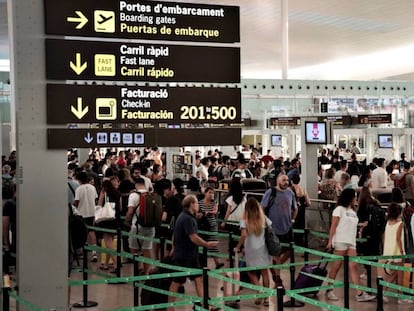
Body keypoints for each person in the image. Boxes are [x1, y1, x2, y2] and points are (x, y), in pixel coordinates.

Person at [167, 195, 218, 311]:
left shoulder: (185, 216)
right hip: (184, 255)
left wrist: (173, 247)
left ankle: (205, 304)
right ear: (191, 204)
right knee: (177, 281)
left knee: (198, 278)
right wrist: (206, 244)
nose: (198, 206)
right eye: (196, 203)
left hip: (190, 254)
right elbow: (193, 237)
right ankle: (169, 308)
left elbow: (175, 234)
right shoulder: (187, 219)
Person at [325, 188, 376, 302]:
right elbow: (333, 226)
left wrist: (362, 224)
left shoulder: (353, 211)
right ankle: (329, 289)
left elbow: (353, 224)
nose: (356, 199)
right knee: (336, 266)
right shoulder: (339, 210)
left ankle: (359, 293)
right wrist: (330, 241)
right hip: (341, 241)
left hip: (351, 242)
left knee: (354, 266)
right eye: (354, 196)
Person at [261, 174, 297, 288]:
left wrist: (292, 219)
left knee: (290, 250)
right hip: (273, 229)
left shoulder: (290, 193)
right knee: (276, 254)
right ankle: (278, 281)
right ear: (278, 181)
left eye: (287, 180)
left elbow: (295, 208)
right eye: (283, 180)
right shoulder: (270, 192)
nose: (286, 182)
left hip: (287, 228)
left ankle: (276, 267)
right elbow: (262, 208)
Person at [234, 197, 272, 307]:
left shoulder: (244, 221)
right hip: (263, 249)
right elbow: (271, 229)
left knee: (250, 272)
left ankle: (259, 290)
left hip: (250, 250)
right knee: (265, 273)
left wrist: (238, 247)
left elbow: (244, 235)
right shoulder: (263, 219)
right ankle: (266, 299)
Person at [379, 203, 413, 304]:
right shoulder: (400, 223)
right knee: (399, 274)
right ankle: (397, 296)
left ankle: (388, 292)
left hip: (389, 251)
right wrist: (402, 252)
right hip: (398, 252)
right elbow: (399, 238)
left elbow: (384, 237)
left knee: (395, 273)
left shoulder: (388, 223)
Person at [124, 178, 153, 274]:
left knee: (134, 249)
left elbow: (130, 211)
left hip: (136, 226)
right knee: (147, 249)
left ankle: (139, 267)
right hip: (150, 226)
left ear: (135, 184)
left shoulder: (133, 195)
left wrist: (127, 221)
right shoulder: (151, 194)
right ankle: (146, 272)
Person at [96, 178, 121, 271]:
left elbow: (99, 204)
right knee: (109, 242)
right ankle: (106, 264)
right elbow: (121, 206)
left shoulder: (104, 193)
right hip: (115, 219)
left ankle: (116, 264)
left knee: (108, 243)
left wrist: (101, 196)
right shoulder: (117, 193)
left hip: (106, 220)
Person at [73, 171, 98, 262]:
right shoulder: (92, 188)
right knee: (92, 232)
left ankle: (83, 252)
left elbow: (76, 202)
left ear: (79, 180)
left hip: (81, 213)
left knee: (82, 233)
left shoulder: (79, 189)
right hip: (92, 212)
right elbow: (95, 199)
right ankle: (94, 252)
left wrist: (72, 206)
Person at [197, 187, 223, 269]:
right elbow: (197, 213)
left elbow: (215, 212)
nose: (211, 194)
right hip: (202, 225)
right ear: (205, 193)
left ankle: (217, 263)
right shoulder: (200, 203)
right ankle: (202, 264)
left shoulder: (214, 202)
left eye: (212, 193)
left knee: (213, 243)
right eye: (209, 192)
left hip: (212, 225)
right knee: (202, 243)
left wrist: (206, 212)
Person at [290, 173, 311, 246]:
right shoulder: (303, 189)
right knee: (301, 225)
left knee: (293, 225)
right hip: (302, 210)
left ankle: (293, 242)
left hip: (292, 210)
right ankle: (300, 242)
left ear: (291, 181)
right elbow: (309, 203)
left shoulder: (289, 190)